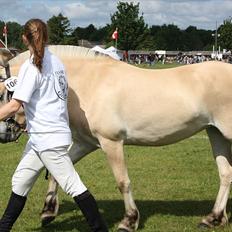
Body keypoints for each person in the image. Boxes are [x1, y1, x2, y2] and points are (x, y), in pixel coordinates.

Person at [0, 19, 108, 232]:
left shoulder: (31, 67)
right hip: (41, 138)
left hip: (48, 139)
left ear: (24, 39)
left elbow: (13, 106)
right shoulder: (57, 62)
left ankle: (100, 229)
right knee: (20, 182)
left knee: (73, 186)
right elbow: (53, 97)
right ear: (46, 37)